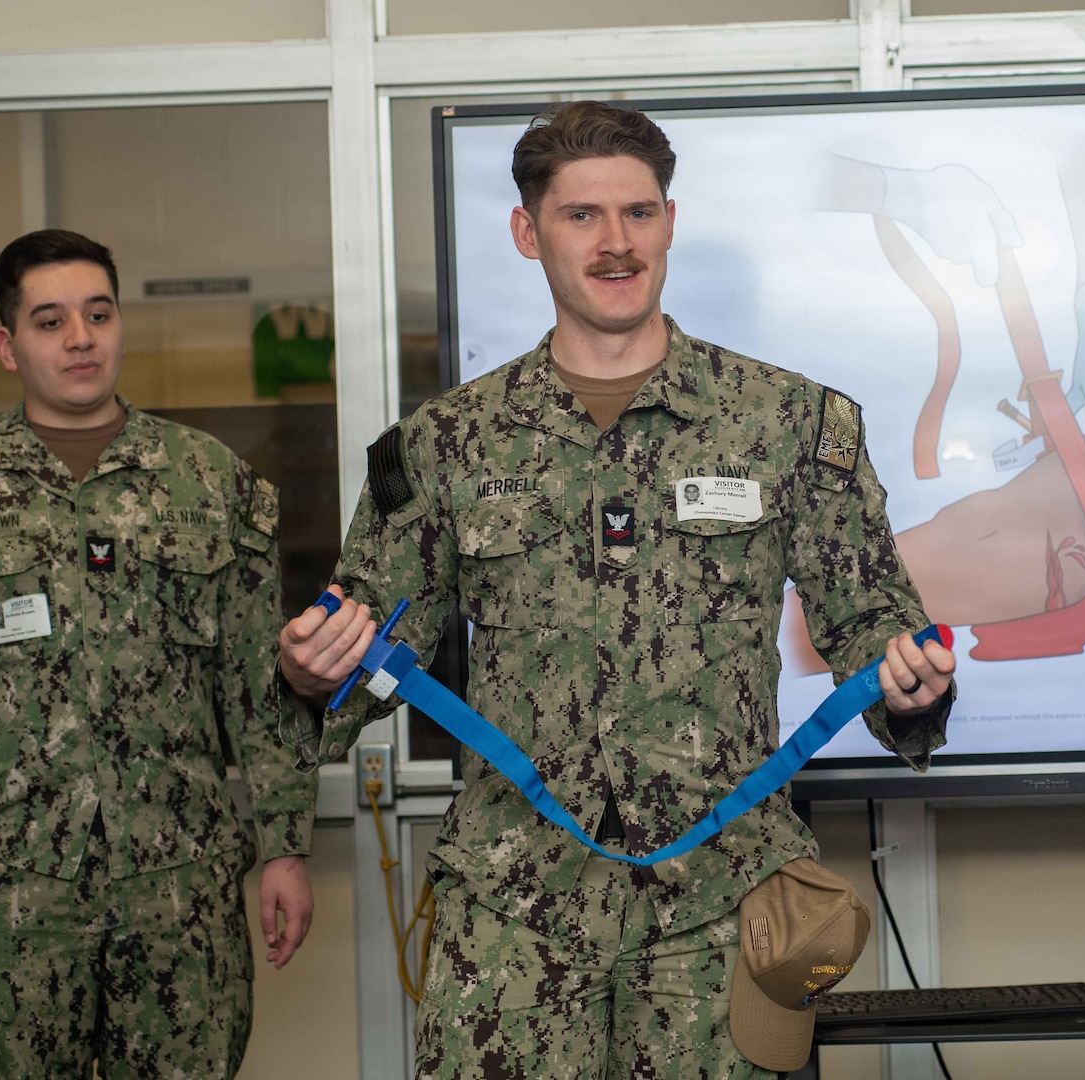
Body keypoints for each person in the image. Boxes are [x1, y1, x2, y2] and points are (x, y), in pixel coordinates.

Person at [278, 101, 956, 1077]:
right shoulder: (443, 445)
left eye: (638, 213)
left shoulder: (792, 423)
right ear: (528, 233)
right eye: (582, 216)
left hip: (724, 904)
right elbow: (363, 643)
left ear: (669, 223)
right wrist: (312, 674)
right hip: (513, 912)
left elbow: (873, 625)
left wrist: (912, 684)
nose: (616, 242)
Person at [0, 230, 317, 1079]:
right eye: (50, 321)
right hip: (8, 889)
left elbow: (254, 685)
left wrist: (284, 845)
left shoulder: (210, 481)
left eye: (98, 314)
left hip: (179, 883)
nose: (80, 338)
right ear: (9, 347)